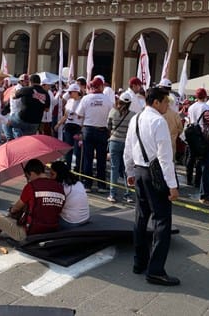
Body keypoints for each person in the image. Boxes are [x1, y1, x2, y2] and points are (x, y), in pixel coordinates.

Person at [124, 87, 180, 286]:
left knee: (140, 217)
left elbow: (128, 148)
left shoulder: (136, 118)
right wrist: (172, 185)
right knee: (162, 221)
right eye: (166, 102)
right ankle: (155, 270)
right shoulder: (159, 121)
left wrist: (130, 172)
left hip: (139, 171)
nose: (167, 105)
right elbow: (165, 158)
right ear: (156, 102)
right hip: (155, 174)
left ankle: (139, 262)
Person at [0, 159, 65, 242]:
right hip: (52, 231)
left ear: (32, 173)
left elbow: (16, 208)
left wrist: (10, 212)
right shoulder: (60, 187)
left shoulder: (31, 186)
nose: (28, 179)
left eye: (27, 176)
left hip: (30, 234)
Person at [77, 76, 113, 192]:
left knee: (88, 157)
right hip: (102, 130)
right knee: (101, 159)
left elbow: (79, 114)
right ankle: (101, 185)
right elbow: (111, 115)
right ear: (102, 86)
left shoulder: (86, 99)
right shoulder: (107, 100)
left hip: (88, 130)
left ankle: (87, 184)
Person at [107, 91, 136, 203]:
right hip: (127, 144)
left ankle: (112, 194)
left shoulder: (113, 112)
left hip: (114, 142)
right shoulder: (133, 115)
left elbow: (108, 126)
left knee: (114, 168)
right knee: (127, 169)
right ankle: (128, 194)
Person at [49, 160, 90, 228]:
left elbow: (54, 207)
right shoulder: (78, 182)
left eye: (52, 174)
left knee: (46, 217)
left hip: (71, 222)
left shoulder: (62, 187)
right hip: (85, 218)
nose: (50, 177)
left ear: (59, 174)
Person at [54, 83, 83, 169]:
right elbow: (66, 115)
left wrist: (82, 129)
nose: (69, 94)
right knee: (68, 148)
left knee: (77, 150)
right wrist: (58, 124)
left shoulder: (82, 101)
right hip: (68, 126)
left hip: (78, 126)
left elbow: (84, 116)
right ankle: (68, 166)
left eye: (70, 92)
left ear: (76, 92)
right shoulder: (69, 101)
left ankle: (77, 168)